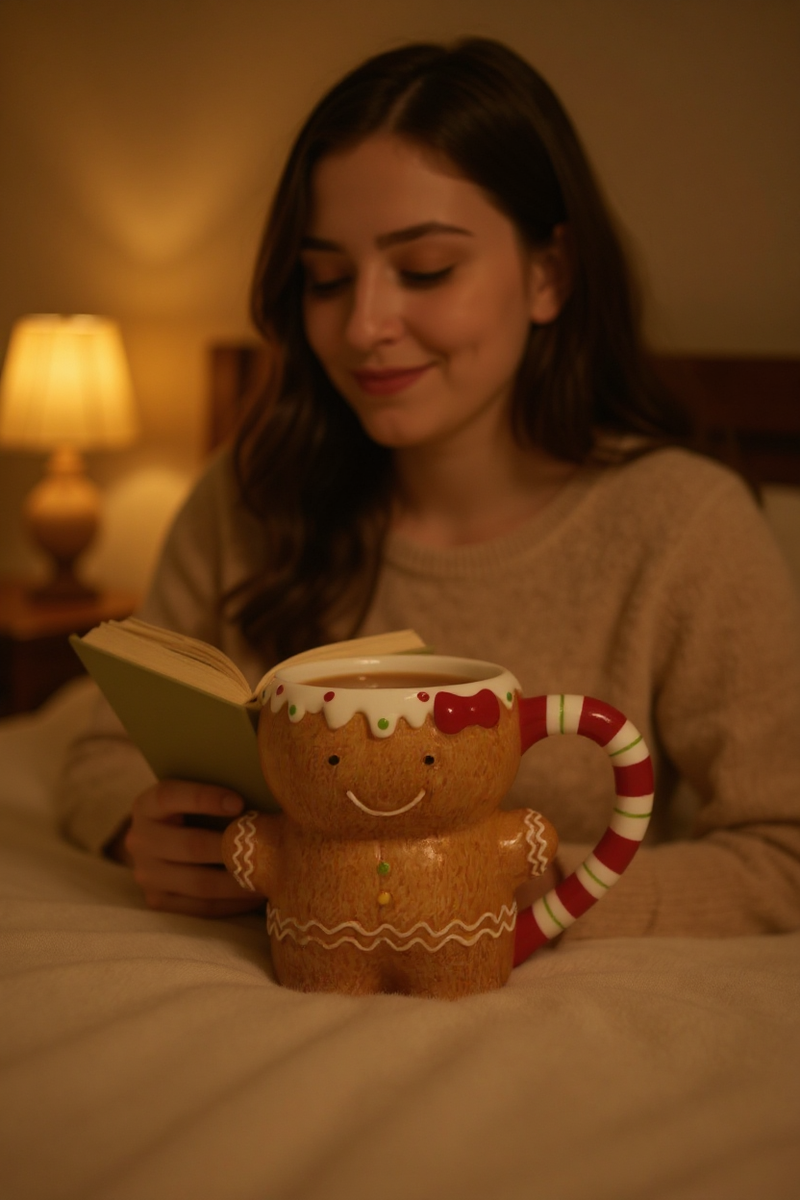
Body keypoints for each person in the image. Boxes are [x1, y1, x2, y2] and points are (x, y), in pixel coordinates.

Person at [57, 38, 800, 942]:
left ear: (548, 274)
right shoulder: (251, 493)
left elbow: (782, 850)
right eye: (327, 278)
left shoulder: (683, 526)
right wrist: (143, 829)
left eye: (427, 270)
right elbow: (96, 751)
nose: (364, 325)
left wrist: (537, 889)